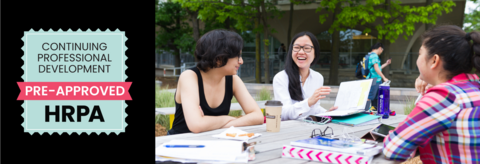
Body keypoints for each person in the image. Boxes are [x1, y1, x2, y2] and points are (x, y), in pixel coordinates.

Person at [383, 25, 480, 163]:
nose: (418, 60)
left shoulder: (445, 96)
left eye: (419, 54)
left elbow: (393, 149)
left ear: (434, 60)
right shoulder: (474, 86)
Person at [168, 29, 264, 135]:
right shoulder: (190, 76)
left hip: (213, 144)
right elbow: (196, 125)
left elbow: (258, 117)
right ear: (219, 59)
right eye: (237, 57)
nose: (241, 61)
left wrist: (218, 123)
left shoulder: (233, 80)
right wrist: (227, 119)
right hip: (179, 145)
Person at [273, 31, 338, 121]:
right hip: (289, 132)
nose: (301, 52)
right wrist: (308, 102)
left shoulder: (318, 77)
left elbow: (314, 109)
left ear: (315, 53)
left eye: (307, 48)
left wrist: (327, 113)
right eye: (296, 48)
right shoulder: (281, 78)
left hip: (310, 129)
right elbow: (283, 114)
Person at [365, 43, 391, 109]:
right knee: (370, 97)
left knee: (376, 97)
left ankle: (374, 111)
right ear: (380, 48)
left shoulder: (371, 55)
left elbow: (377, 68)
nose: (382, 52)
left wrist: (386, 63)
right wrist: (384, 78)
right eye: (382, 50)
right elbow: (376, 69)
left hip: (376, 80)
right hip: (374, 80)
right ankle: (365, 111)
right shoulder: (374, 56)